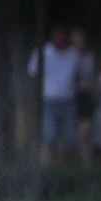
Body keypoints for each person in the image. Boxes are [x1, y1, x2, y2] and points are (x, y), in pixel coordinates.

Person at [28, 27, 81, 167]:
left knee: (67, 139)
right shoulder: (42, 52)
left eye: (62, 34)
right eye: (57, 34)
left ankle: (60, 166)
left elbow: (78, 76)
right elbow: (33, 74)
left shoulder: (73, 54)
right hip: (49, 101)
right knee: (49, 137)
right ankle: (50, 166)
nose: (59, 37)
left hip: (68, 101)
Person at [72, 29, 97, 166]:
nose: (79, 44)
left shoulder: (90, 57)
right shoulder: (69, 57)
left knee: (86, 132)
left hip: (86, 96)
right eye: (75, 41)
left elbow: (95, 77)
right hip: (70, 96)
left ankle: (87, 163)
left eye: (80, 41)